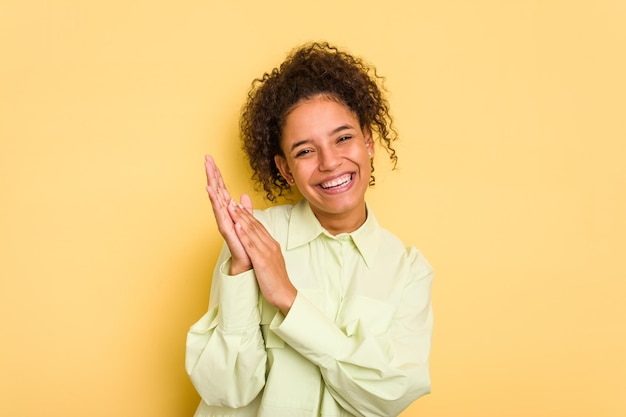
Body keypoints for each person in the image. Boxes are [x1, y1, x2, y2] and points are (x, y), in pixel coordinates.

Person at [186, 42, 433, 417]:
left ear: (368, 142)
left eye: (343, 138)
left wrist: (288, 299)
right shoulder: (255, 237)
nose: (330, 162)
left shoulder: (409, 271)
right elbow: (225, 391)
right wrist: (240, 271)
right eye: (304, 151)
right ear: (285, 169)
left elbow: (387, 399)